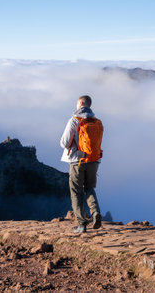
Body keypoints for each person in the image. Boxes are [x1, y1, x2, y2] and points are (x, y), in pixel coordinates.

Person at [60, 95, 102, 233]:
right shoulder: (96, 122)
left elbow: (65, 143)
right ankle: (95, 212)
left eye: (77, 103)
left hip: (77, 161)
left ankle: (82, 224)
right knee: (89, 188)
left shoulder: (74, 120)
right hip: (94, 160)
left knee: (76, 192)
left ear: (81, 103)